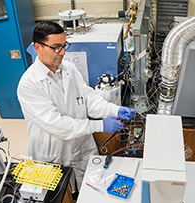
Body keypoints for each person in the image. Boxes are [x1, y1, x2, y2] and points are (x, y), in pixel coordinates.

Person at [17, 21, 135, 184]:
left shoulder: (69, 69)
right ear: (38, 48)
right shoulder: (29, 84)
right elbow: (56, 124)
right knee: (60, 200)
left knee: (88, 187)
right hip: (53, 152)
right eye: (56, 47)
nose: (63, 52)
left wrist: (114, 110)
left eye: (65, 46)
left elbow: (88, 99)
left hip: (81, 145)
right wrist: (100, 126)